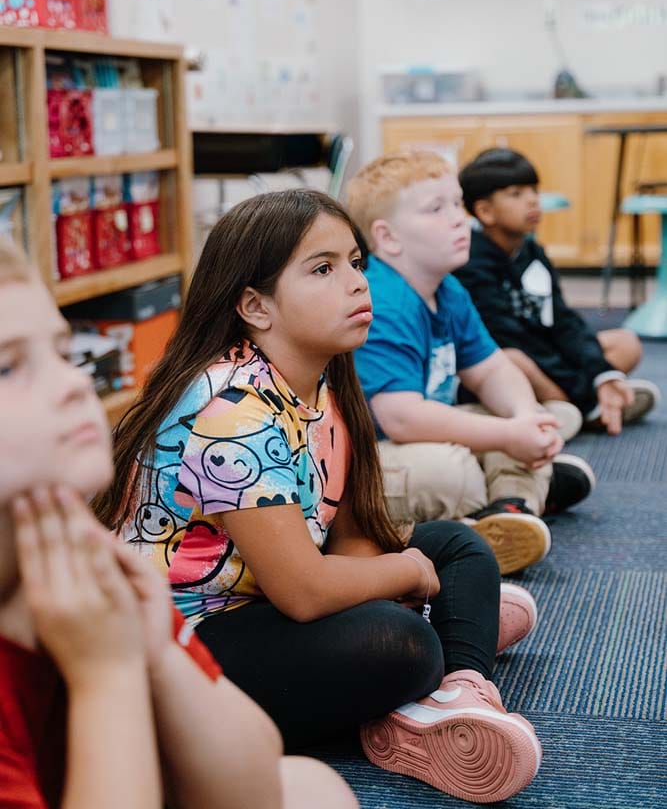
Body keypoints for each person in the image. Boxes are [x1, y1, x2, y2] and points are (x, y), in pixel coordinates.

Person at [95, 189, 543, 804]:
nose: (358, 283)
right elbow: (303, 593)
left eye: (355, 262)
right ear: (255, 306)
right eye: (324, 269)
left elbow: (348, 534)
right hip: (192, 637)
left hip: (266, 596)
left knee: (461, 546)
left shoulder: (323, 376)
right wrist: (404, 575)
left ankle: (461, 688)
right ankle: (430, 665)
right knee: (400, 642)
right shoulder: (231, 412)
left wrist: (394, 572)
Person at [0, 239, 356, 809]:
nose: (73, 383)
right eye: (9, 366)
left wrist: (158, 650)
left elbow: (254, 784)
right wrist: (108, 674)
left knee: (314, 788)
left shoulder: (85, 562)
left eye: (63, 354)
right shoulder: (233, 402)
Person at [347, 153, 596, 577]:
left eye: (457, 204)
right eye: (435, 209)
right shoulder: (383, 300)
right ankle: (512, 499)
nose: (460, 220)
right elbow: (402, 418)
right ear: (388, 238)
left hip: (425, 435)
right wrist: (508, 435)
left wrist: (523, 417)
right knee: (453, 472)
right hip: (364, 460)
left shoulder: (449, 291)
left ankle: (508, 510)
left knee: (547, 415)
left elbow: (493, 370)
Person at [456, 148, 659, 435]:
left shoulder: (532, 251)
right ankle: (586, 407)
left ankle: (579, 406)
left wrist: (602, 372)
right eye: (516, 193)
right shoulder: (470, 262)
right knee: (515, 360)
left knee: (625, 343)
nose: (532, 200)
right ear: (485, 211)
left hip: (548, 352)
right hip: (508, 363)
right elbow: (508, 337)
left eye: (533, 190)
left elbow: (563, 319)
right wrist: (582, 384)